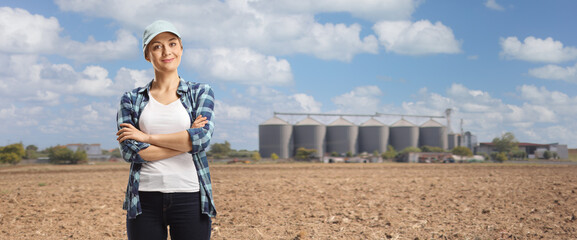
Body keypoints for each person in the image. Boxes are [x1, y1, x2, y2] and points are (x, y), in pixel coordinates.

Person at [116, 20, 216, 240]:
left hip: (190, 196)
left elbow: (202, 139)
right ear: (147, 54)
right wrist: (187, 142)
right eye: (157, 46)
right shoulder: (131, 99)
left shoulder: (200, 92)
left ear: (181, 49)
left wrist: (147, 137)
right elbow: (131, 152)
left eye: (172, 44)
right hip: (144, 200)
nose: (166, 51)